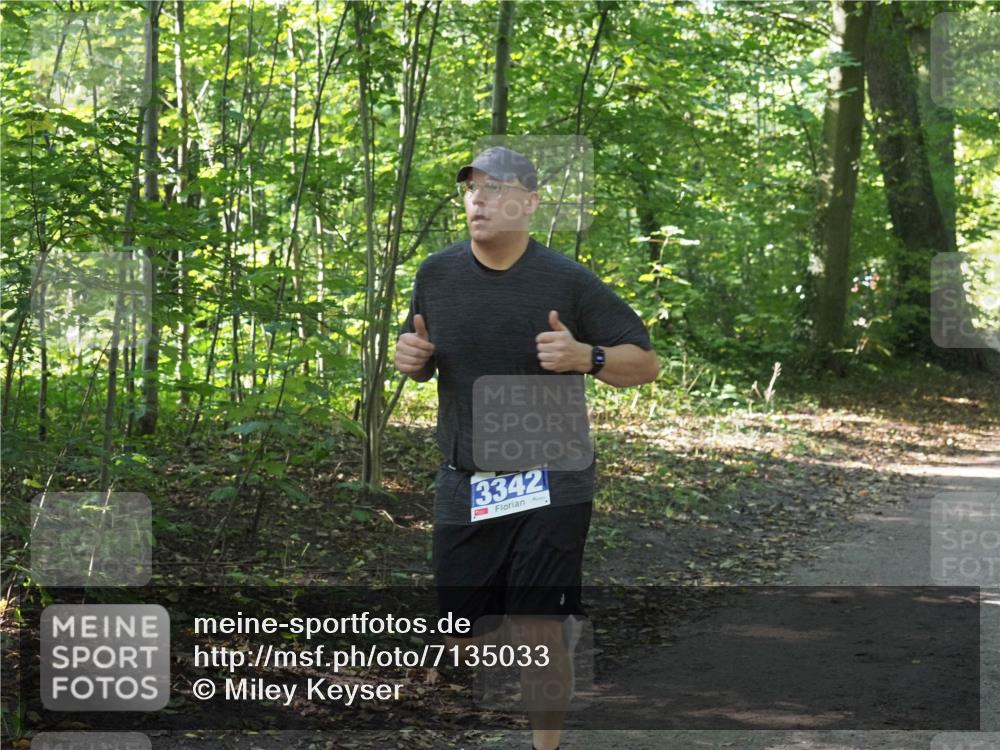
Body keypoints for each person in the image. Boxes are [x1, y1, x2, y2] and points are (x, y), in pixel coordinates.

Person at [394, 146, 658, 750]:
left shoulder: (566, 281)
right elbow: (420, 350)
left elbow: (645, 363)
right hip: (468, 478)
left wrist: (586, 357)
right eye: (470, 189)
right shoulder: (436, 274)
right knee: (462, 630)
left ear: (530, 203)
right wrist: (408, 359)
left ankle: (546, 743)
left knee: (537, 630)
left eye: (494, 187)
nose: (478, 199)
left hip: (551, 476)